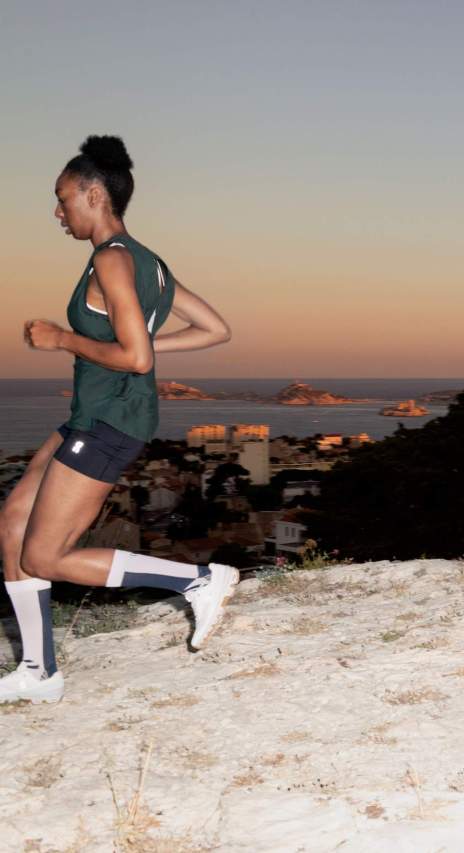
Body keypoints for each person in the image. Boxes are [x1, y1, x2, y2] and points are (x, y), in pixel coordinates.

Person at [1, 136, 236, 704]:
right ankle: (38, 671)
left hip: (110, 420)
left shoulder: (110, 258)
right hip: (95, 413)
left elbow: (135, 358)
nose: (58, 212)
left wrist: (63, 339)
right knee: (13, 521)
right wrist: (144, 340)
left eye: (62, 199)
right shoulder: (145, 262)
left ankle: (199, 581)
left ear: (92, 193)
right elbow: (214, 329)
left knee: (45, 556)